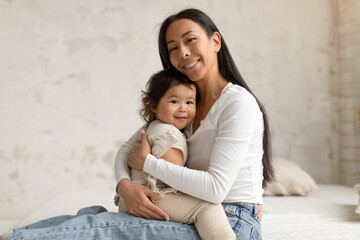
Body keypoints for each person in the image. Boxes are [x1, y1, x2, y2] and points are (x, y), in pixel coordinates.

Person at [0, 8, 274, 240]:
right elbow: (126, 150)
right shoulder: (183, 105)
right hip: (193, 210)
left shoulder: (237, 104)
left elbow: (216, 189)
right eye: (173, 48)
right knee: (94, 214)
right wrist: (125, 187)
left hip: (232, 222)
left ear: (215, 41)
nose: (184, 53)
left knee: (107, 229)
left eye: (191, 40)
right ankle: (16, 234)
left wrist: (149, 164)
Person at [115, 68, 235, 240]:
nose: (183, 109)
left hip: (140, 196)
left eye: (189, 102)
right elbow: (176, 176)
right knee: (207, 207)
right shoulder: (167, 133)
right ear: (154, 105)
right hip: (148, 197)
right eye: (174, 101)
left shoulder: (156, 127)